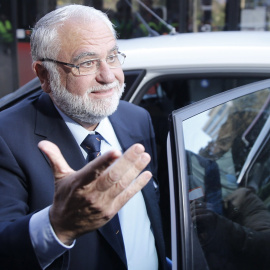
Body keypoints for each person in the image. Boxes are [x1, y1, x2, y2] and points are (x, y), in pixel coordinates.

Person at [0, 5, 168, 270]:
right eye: (87, 63)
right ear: (45, 75)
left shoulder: (137, 119)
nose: (108, 76)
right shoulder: (6, 137)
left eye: (112, 57)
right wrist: (58, 225)